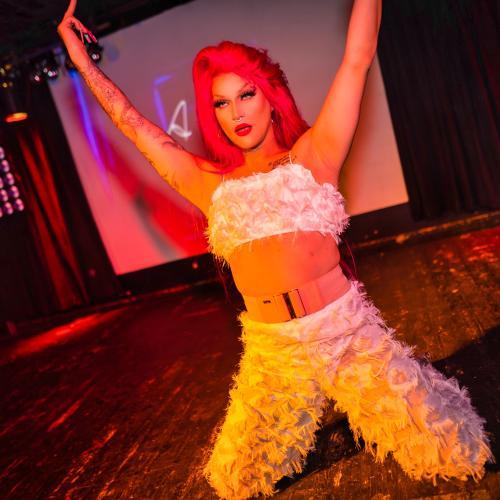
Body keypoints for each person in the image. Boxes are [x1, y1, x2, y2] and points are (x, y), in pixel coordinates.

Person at [58, 0, 493, 497]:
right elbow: (134, 125)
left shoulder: (314, 155)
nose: (236, 113)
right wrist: (81, 60)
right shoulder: (208, 183)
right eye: (221, 103)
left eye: (246, 95)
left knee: (455, 453)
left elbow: (357, 57)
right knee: (237, 482)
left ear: (270, 97)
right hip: (272, 351)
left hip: (343, 334)